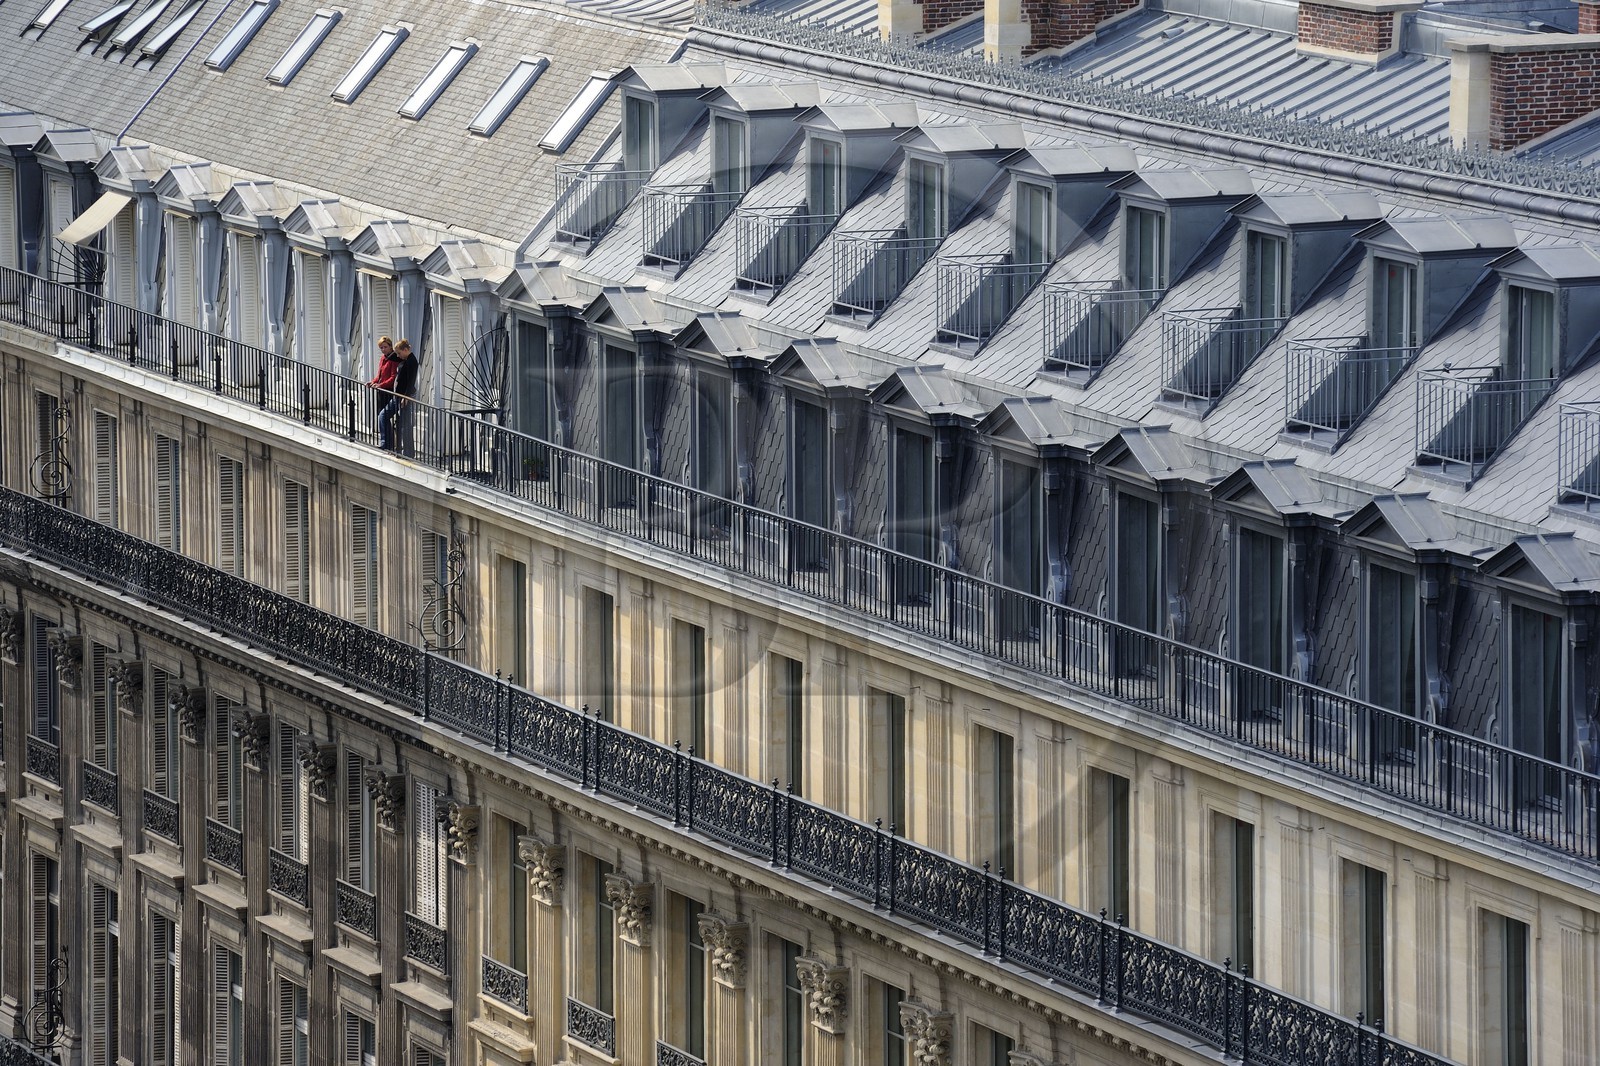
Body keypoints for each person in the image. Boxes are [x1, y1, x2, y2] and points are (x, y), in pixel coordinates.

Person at [379, 339, 420, 455]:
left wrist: (405, 397)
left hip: (403, 397)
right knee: (383, 416)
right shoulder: (405, 359)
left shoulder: (412, 361)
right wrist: (389, 348)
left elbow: (411, 381)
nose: (398, 356)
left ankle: (408, 452)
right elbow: (390, 357)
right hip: (397, 396)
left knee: (405, 425)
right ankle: (387, 444)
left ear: (406, 350)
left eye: (399, 353)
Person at [368, 337, 399, 438]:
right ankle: (387, 440)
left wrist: (380, 385)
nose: (383, 349)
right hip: (381, 391)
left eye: (385, 347)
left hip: (389, 391)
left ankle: (387, 441)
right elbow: (379, 376)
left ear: (390, 346)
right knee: (381, 415)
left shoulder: (394, 359)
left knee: (383, 415)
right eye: (381, 347)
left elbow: (393, 377)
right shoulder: (382, 358)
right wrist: (372, 382)